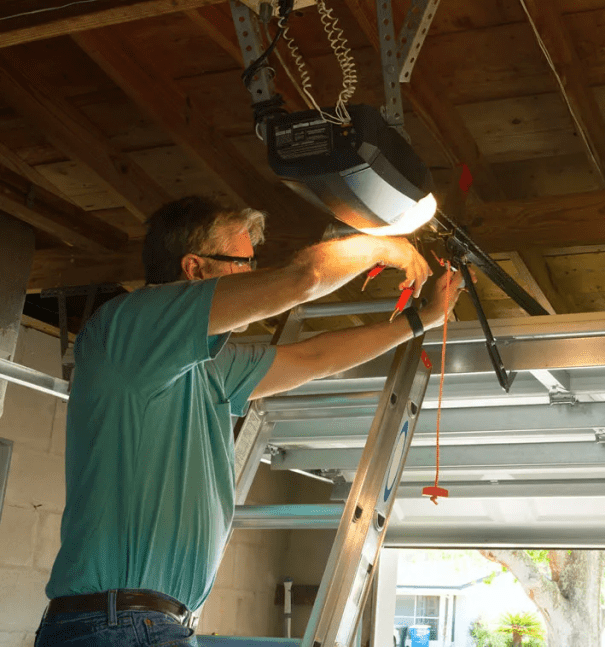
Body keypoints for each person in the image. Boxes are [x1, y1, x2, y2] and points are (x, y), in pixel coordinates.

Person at [35, 195, 464, 647]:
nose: (252, 275)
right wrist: (385, 246)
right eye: (243, 262)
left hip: (141, 624)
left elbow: (313, 357)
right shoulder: (128, 329)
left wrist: (419, 321)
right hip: (120, 623)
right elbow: (302, 278)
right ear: (195, 269)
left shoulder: (210, 368)